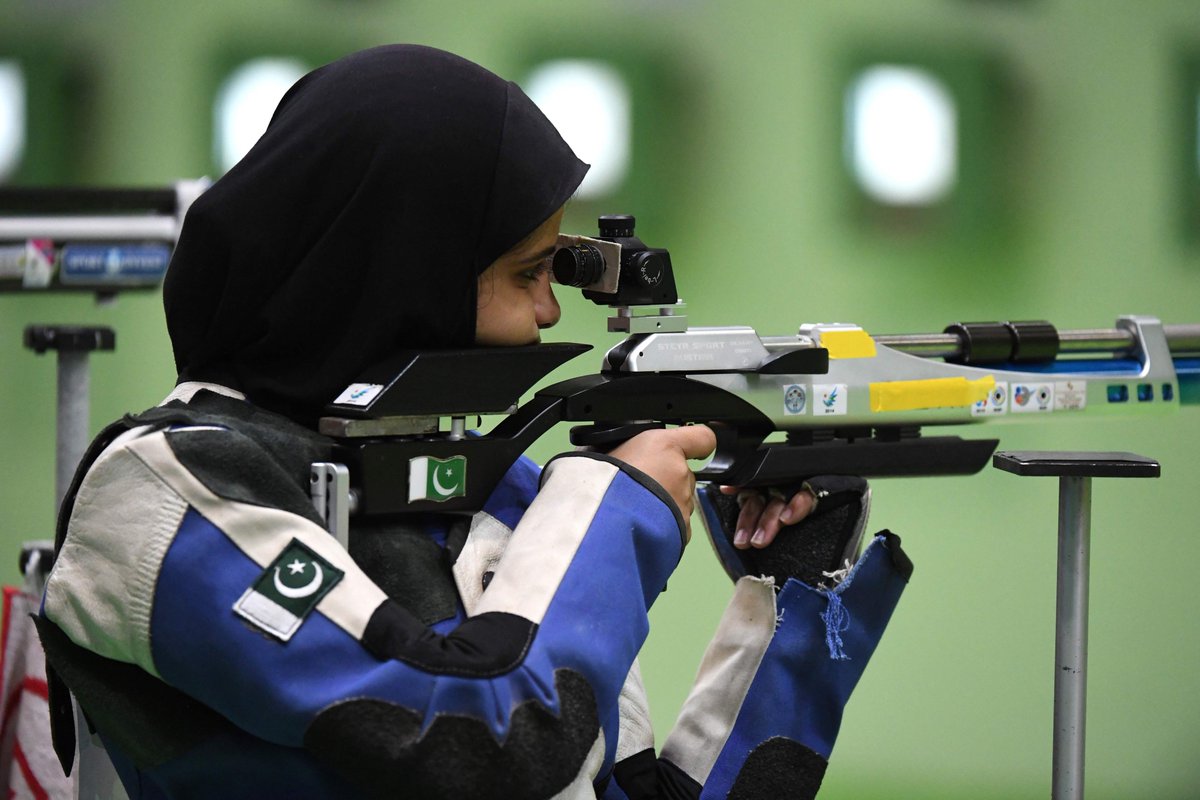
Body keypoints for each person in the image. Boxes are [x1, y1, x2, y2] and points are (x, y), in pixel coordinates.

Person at [35, 44, 912, 799]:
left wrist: (791, 590)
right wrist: (617, 504)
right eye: (529, 272)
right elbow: (477, 746)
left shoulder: (503, 501)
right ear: (401, 269)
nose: (543, 316)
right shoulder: (160, 495)